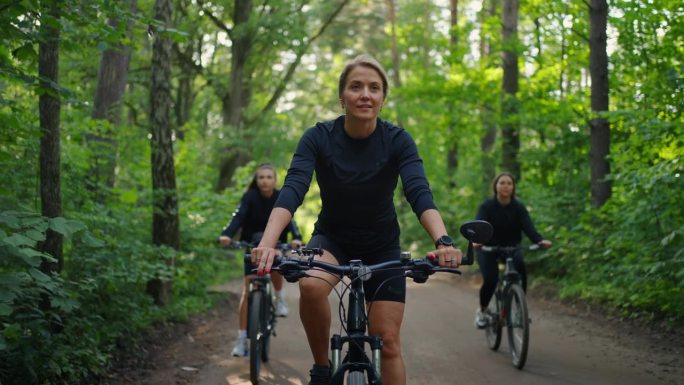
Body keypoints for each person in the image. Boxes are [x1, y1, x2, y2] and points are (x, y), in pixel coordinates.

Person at [251, 54, 462, 385]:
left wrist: (443, 240)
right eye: (356, 86)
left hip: (382, 246)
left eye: (374, 88)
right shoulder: (318, 137)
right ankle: (322, 367)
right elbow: (293, 189)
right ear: (342, 97)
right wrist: (266, 243)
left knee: (388, 341)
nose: (366, 94)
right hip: (332, 239)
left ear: (382, 98)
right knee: (309, 285)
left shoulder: (398, 140)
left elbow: (419, 192)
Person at [218, 163, 303, 357]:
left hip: (276, 246)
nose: (264, 181)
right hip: (253, 247)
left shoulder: (281, 196)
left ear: (275, 180)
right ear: (256, 181)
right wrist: (227, 234)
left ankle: (279, 298)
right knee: (247, 291)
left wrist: (296, 237)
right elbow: (238, 217)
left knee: (276, 265)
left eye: (268, 177)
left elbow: (290, 220)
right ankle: (241, 339)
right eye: (261, 177)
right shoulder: (250, 197)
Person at [473, 171, 552, 329]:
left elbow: (528, 227)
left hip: (511, 248)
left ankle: (519, 306)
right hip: (487, 248)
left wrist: (539, 240)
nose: (505, 186)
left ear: (513, 187)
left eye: (509, 183)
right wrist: (477, 241)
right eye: (502, 183)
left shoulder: (519, 207)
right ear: (496, 186)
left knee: (520, 267)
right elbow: (479, 225)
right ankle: (482, 311)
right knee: (491, 279)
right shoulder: (486, 206)